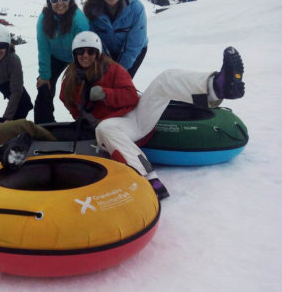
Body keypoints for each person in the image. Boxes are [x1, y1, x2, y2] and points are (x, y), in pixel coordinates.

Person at [60, 31, 245, 199]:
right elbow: (71, 106)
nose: (85, 55)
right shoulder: (69, 83)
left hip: (136, 116)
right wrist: (86, 120)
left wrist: (106, 94)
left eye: (90, 51)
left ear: (98, 53)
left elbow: (131, 97)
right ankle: (148, 179)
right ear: (74, 55)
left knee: (165, 79)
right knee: (105, 128)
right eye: (80, 52)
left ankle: (218, 86)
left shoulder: (112, 69)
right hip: (115, 126)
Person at [34, 0, 90, 124]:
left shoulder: (80, 22)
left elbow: (85, 51)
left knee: (80, 87)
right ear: (49, 2)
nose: (60, 3)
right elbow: (43, 49)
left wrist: (80, 71)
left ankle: (86, 121)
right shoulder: (43, 20)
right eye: (54, 0)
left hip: (77, 57)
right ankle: (43, 123)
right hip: (56, 56)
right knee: (44, 87)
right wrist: (44, 77)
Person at [83, 0, 148, 78]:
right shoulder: (92, 10)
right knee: (103, 79)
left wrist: (119, 71)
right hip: (106, 52)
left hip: (133, 51)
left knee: (122, 80)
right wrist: (104, 66)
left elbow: (134, 46)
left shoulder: (136, 9)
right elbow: (94, 41)